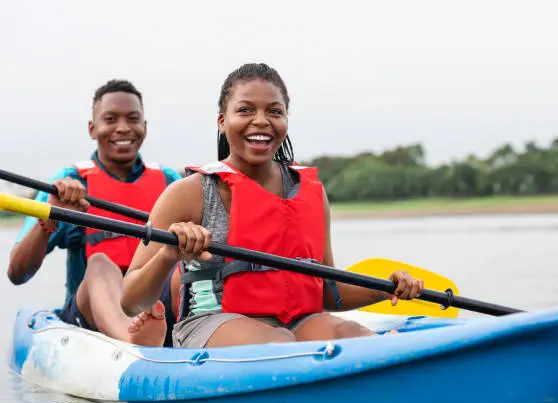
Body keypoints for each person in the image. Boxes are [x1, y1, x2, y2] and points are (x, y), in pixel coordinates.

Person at [121, 63, 424, 349]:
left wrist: (385, 288)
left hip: (296, 322)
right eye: (245, 110)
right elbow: (131, 300)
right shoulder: (189, 193)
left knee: (354, 336)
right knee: (278, 343)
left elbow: (326, 292)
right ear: (222, 121)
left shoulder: (311, 193)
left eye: (275, 111)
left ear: (286, 120)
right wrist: (168, 254)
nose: (261, 120)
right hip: (213, 325)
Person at [7, 79, 181, 347]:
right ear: (93, 128)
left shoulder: (169, 181)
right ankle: (131, 338)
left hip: (153, 307)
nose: (123, 128)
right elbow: (18, 273)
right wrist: (51, 215)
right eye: (110, 119)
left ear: (144, 128)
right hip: (89, 317)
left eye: (132, 119)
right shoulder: (70, 180)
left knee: (183, 266)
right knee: (99, 262)